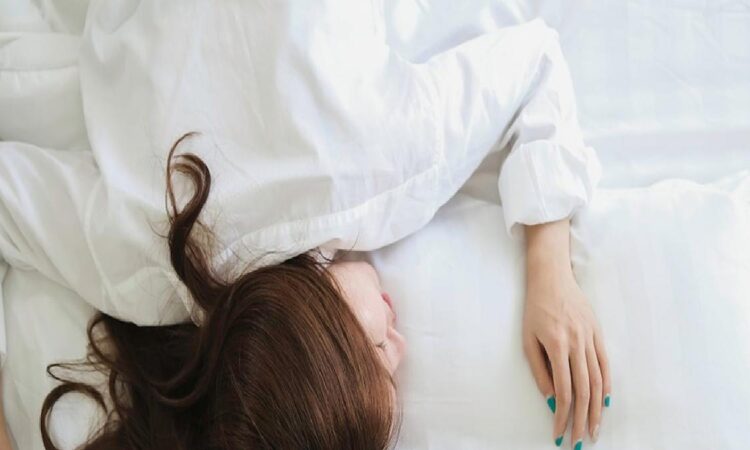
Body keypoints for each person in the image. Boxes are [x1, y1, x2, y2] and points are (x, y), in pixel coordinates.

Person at [0, 1, 611, 449]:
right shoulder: (138, 257)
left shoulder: (378, 168)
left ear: (322, 329)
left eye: (377, 351)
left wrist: (550, 271)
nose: (401, 347)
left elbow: (536, 61)